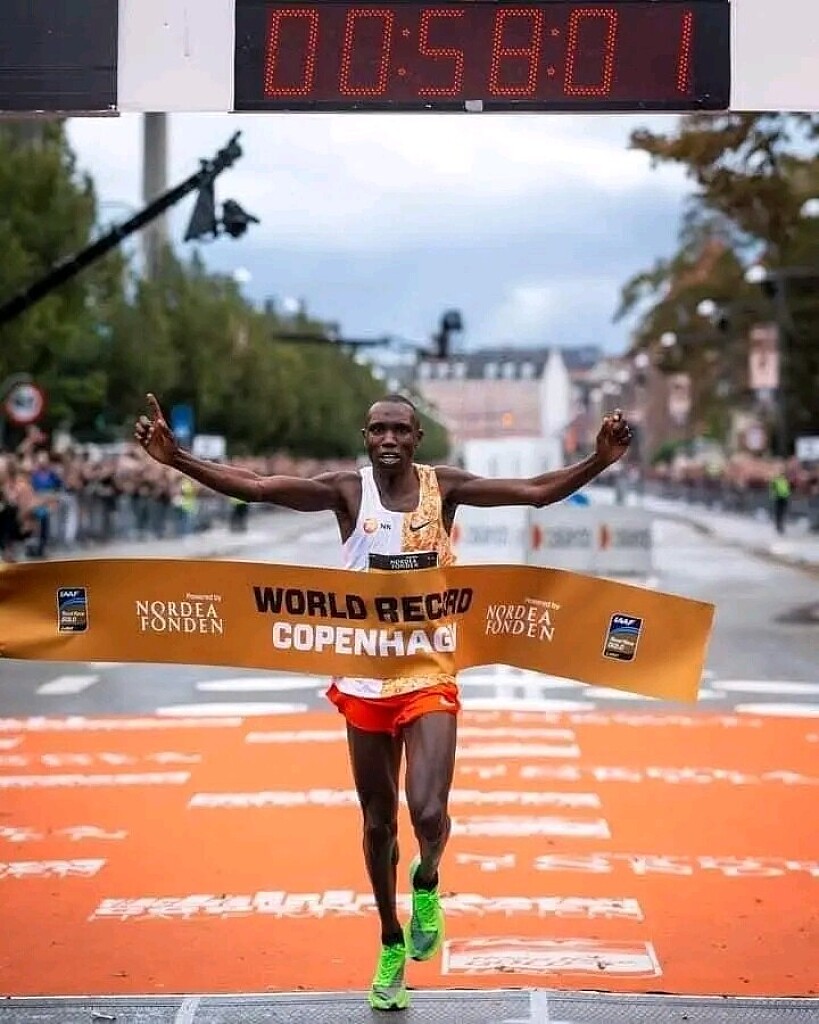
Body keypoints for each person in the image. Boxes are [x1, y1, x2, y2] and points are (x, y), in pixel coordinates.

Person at [134, 391, 632, 1010]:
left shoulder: (444, 489)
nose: (389, 439)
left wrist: (598, 461)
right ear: (365, 438)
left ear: (418, 438)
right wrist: (178, 459)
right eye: (378, 430)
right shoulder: (349, 493)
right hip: (365, 680)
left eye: (400, 429)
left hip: (428, 672)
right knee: (378, 822)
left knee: (428, 812)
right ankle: (391, 938)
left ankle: (428, 879)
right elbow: (259, 487)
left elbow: (532, 491)